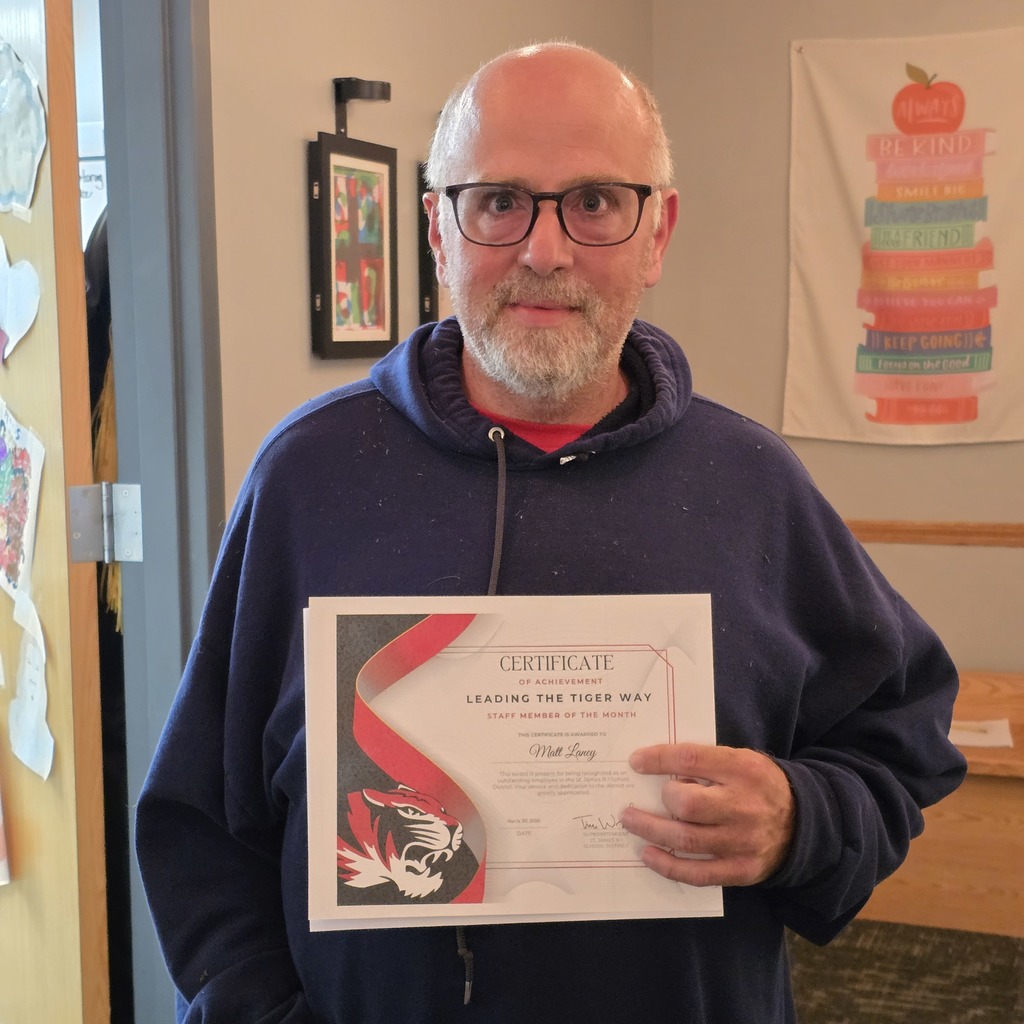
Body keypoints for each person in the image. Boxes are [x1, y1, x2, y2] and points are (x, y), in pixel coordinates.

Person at [136, 42, 966, 1023]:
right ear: (438, 232)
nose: (544, 250)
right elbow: (200, 825)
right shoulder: (305, 481)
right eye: (497, 201)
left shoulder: (753, 489)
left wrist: (801, 821)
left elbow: (900, 740)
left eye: (595, 202)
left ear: (657, 232)